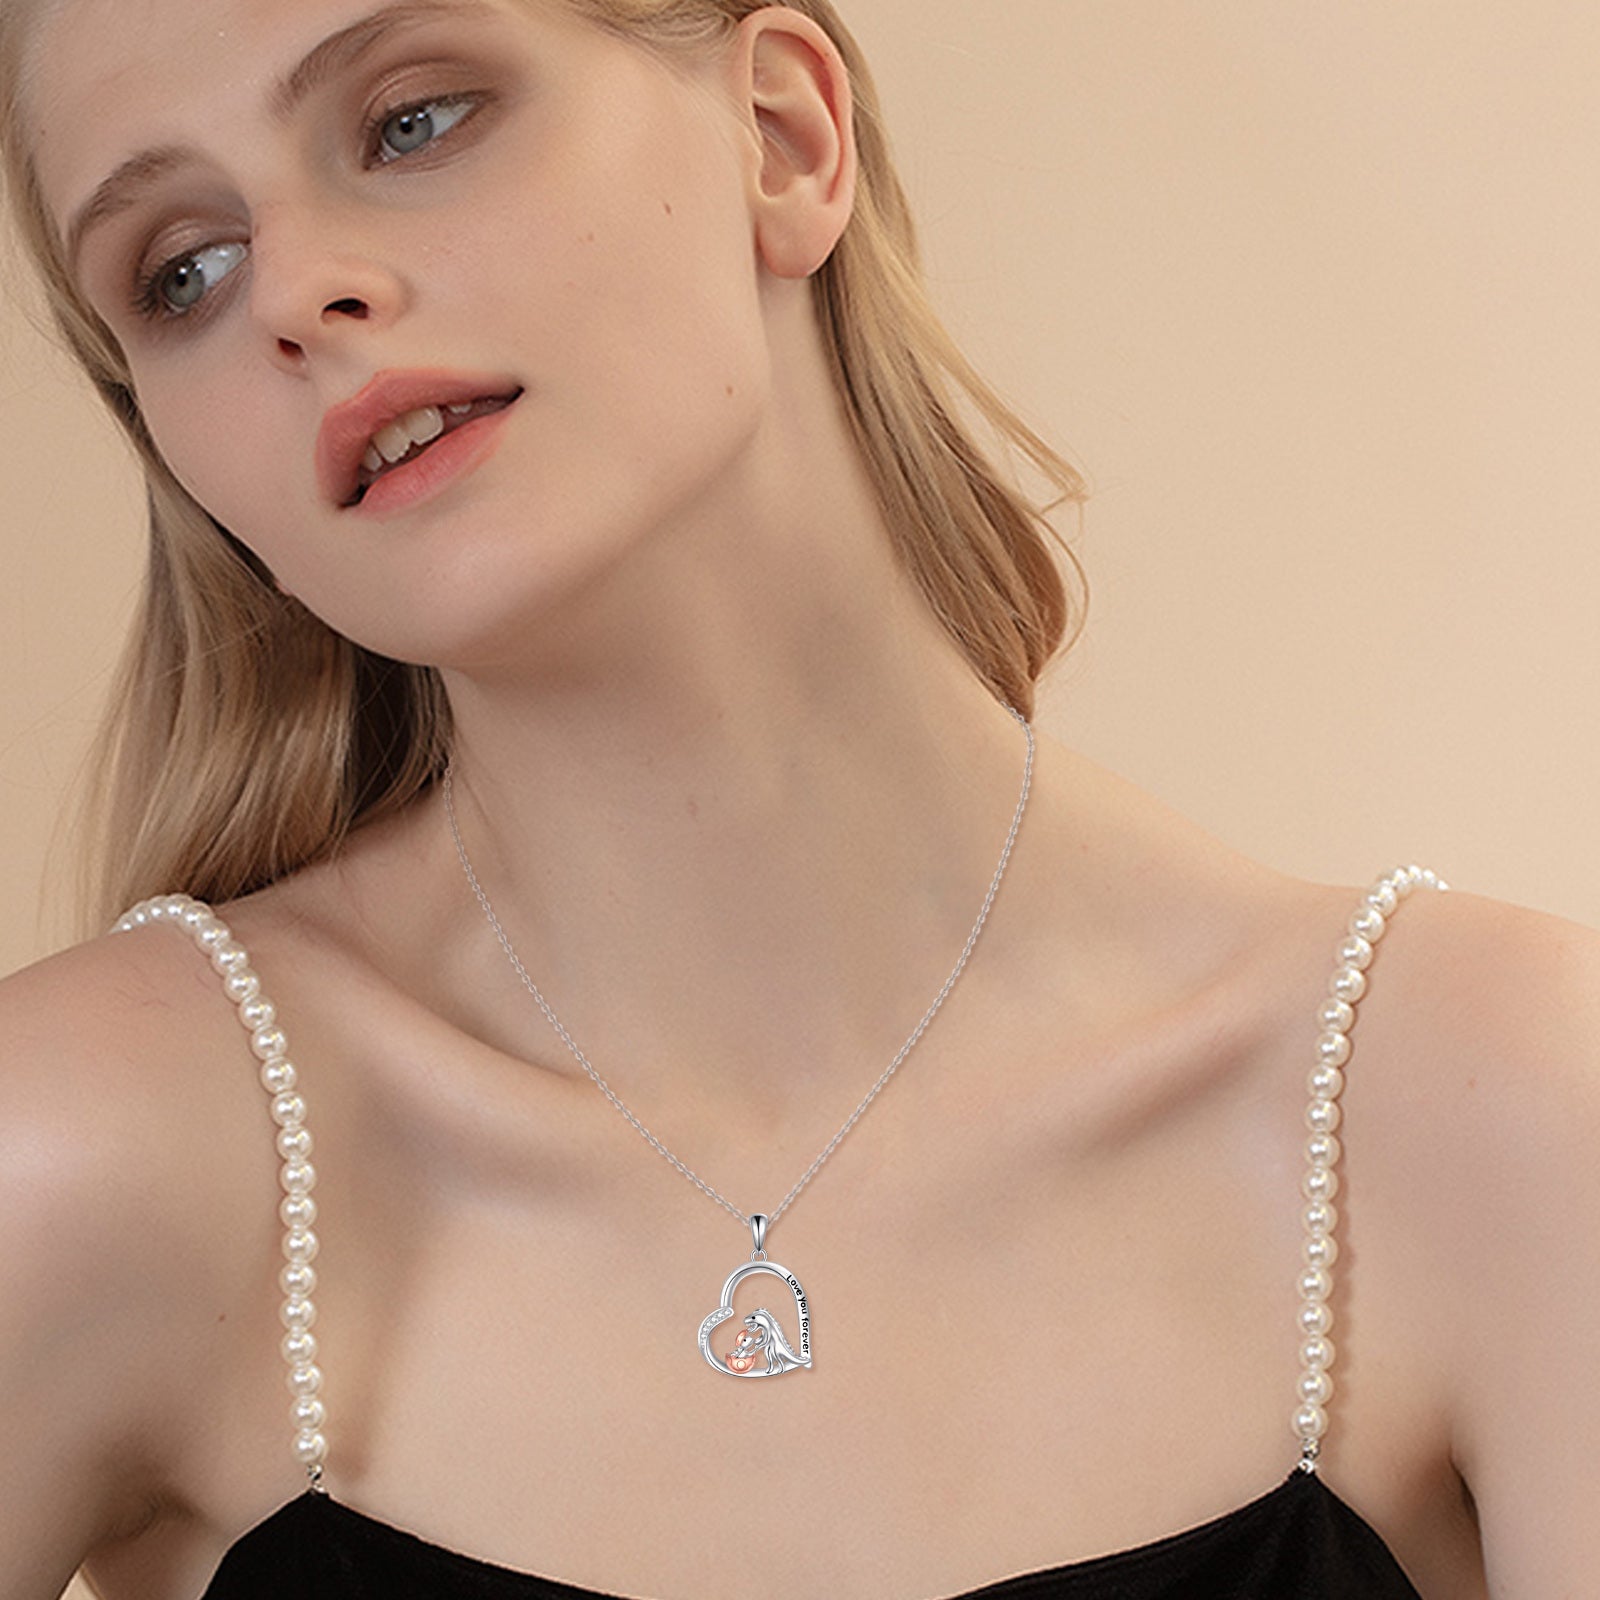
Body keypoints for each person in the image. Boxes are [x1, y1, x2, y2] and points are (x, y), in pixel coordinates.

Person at [1, 1, 1596, 1596]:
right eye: (182, 271)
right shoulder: (86, 1159)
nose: (293, 294)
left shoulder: (1496, 1116)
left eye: (413, 119)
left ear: (781, 134)